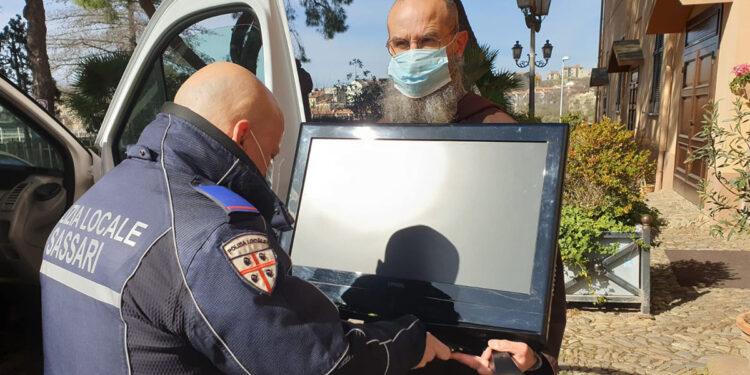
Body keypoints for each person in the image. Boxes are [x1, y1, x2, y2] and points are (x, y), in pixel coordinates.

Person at [39, 62, 451, 375]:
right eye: (270, 154)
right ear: (241, 136)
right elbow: (319, 364)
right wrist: (411, 339)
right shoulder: (209, 235)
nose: (268, 168)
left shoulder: (102, 195)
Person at [382, 0, 566, 374]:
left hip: (475, 357)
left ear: (458, 44)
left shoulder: (503, 135)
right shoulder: (375, 139)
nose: (413, 54)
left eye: (428, 40)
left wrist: (535, 360)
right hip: (397, 349)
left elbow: (540, 264)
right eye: (401, 43)